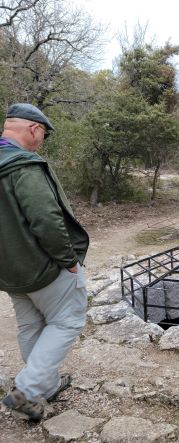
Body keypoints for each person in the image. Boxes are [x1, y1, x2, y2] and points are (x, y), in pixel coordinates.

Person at [0, 103, 89, 420]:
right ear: (34, 129)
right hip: (44, 268)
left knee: (30, 325)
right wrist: (69, 261)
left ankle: (45, 386)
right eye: (43, 136)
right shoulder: (23, 166)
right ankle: (27, 389)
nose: (41, 143)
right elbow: (47, 221)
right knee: (68, 320)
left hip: (9, 273)